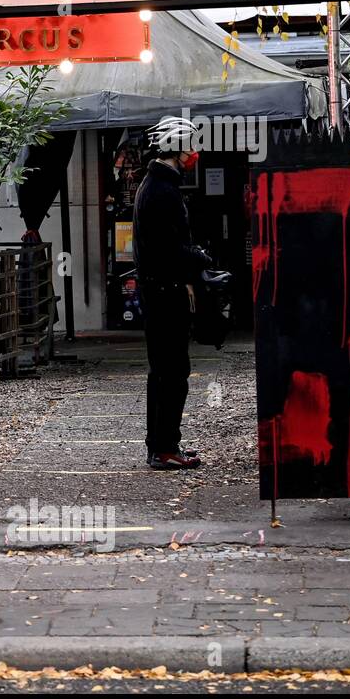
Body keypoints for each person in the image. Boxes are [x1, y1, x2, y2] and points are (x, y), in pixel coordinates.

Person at [132, 116, 213, 471]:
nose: (193, 152)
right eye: (189, 145)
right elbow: (172, 249)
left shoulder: (152, 185)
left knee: (163, 371)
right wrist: (201, 257)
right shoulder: (163, 192)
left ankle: (163, 444)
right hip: (165, 293)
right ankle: (165, 447)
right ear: (176, 147)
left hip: (157, 290)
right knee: (173, 371)